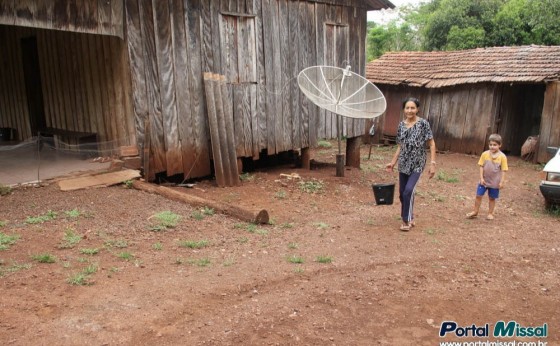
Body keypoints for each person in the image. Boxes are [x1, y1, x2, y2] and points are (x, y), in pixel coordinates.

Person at [385, 97, 437, 231]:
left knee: (408, 191)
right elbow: (400, 146)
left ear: (417, 109)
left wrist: (432, 163)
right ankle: (410, 216)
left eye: (412, 108)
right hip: (403, 163)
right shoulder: (401, 125)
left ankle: (406, 221)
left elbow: (431, 143)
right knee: (402, 194)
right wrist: (392, 162)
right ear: (404, 110)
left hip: (417, 163)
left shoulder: (423, 124)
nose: (410, 110)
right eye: (407, 108)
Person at [466, 134, 508, 220]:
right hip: (484, 180)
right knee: (478, 195)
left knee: (492, 198)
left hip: (495, 182)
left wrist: (502, 181)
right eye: (491, 144)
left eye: (495, 145)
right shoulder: (485, 154)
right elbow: (481, 166)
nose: (492, 147)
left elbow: (504, 170)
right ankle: (475, 211)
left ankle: (490, 213)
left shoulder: (502, 157)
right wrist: (481, 178)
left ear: (500, 145)